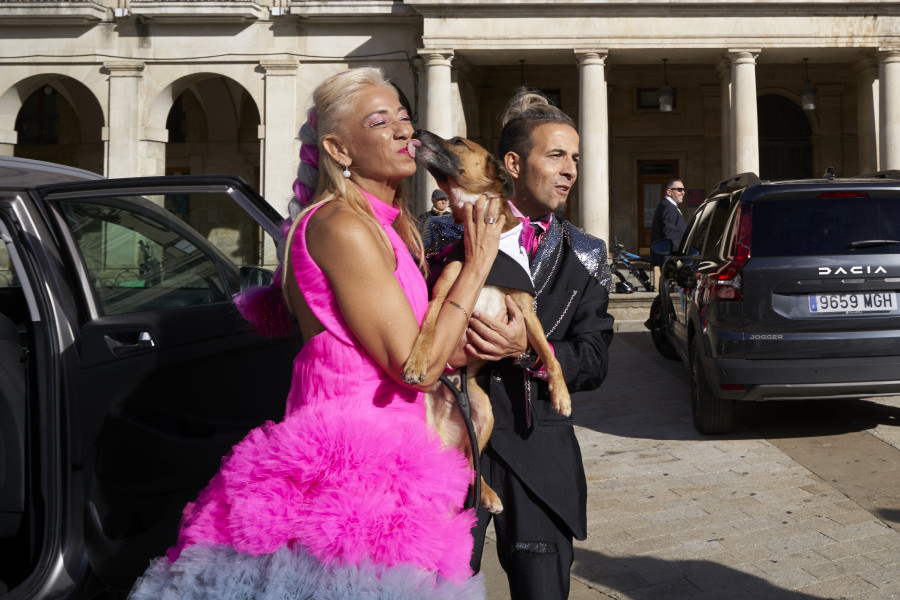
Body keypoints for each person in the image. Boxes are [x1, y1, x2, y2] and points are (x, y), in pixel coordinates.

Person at [128, 67, 505, 600]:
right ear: (339, 149)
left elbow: (418, 342)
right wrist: (477, 262)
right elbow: (412, 367)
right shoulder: (341, 226)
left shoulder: (391, 226)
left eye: (404, 117)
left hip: (398, 453)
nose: (405, 132)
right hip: (349, 464)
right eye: (380, 121)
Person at [437, 88, 615, 600]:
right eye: (556, 155)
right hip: (450, 447)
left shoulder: (586, 253)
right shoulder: (439, 234)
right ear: (513, 163)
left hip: (539, 452)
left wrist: (529, 351)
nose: (571, 170)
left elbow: (596, 359)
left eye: (575, 158)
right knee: (434, 588)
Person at [649, 178, 688, 282]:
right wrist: (675, 257)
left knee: (666, 296)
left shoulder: (669, 206)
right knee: (669, 293)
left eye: (683, 189)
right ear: (669, 191)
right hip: (671, 260)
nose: (683, 192)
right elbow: (669, 233)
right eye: (679, 189)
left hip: (671, 259)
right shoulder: (668, 207)